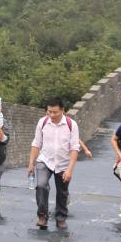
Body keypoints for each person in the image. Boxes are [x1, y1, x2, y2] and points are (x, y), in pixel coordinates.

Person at [28, 97, 80, 230]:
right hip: (45, 160)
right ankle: (42, 216)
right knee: (41, 186)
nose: (51, 115)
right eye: (49, 111)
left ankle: (61, 218)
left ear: (63, 110)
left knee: (62, 192)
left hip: (64, 163)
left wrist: (70, 170)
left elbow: (75, 148)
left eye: (55, 112)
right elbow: (36, 143)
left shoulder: (71, 125)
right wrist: (31, 163)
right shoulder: (43, 122)